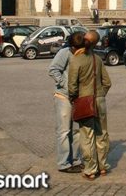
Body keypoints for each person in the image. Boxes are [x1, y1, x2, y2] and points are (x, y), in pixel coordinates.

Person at [68, 31, 112, 180]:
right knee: (102, 133)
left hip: (85, 100)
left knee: (87, 136)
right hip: (100, 100)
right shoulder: (97, 59)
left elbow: (72, 86)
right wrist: (100, 95)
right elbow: (107, 82)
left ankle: (91, 169)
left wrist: (75, 99)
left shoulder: (76, 60)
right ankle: (103, 166)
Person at [49, 33, 84, 173]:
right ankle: (64, 163)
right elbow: (53, 70)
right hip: (63, 96)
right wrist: (65, 85)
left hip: (78, 97)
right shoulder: (64, 53)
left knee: (77, 131)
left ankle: (75, 159)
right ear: (72, 47)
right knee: (64, 131)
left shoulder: (83, 53)